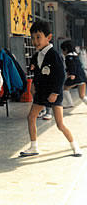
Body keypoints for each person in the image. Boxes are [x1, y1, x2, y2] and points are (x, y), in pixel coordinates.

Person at [20, 20, 82, 157]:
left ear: (48, 37)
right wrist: (34, 85)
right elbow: (37, 72)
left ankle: (75, 146)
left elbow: (60, 76)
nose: (35, 41)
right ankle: (33, 146)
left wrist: (55, 93)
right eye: (32, 38)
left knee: (60, 124)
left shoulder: (55, 55)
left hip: (54, 93)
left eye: (38, 37)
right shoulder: (37, 55)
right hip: (41, 93)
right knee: (31, 117)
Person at [60, 40, 87, 108]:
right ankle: (70, 103)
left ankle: (70, 103)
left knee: (65, 88)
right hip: (83, 77)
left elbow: (72, 66)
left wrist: (72, 74)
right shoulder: (76, 56)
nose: (62, 52)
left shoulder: (69, 57)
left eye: (62, 50)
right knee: (82, 96)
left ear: (65, 50)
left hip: (75, 77)